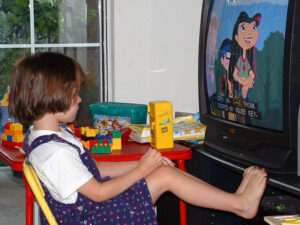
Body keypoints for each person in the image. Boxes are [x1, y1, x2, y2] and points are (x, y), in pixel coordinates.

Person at [9, 52, 267, 225]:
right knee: (165, 176)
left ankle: (235, 201)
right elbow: (98, 193)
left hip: (93, 210)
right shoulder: (54, 152)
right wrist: (143, 169)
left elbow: (92, 169)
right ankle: (240, 204)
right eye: (75, 94)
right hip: (96, 217)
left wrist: (143, 163)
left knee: (165, 169)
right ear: (53, 97)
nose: (78, 99)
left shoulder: (50, 136)